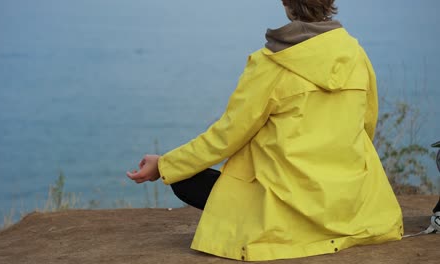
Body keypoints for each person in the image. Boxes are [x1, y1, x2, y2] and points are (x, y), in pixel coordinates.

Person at [127, 0, 403, 261]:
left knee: (183, 180)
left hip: (284, 213)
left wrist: (165, 164)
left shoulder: (270, 63)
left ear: (285, 2)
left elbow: (225, 137)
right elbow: (367, 124)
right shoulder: (355, 54)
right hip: (349, 206)